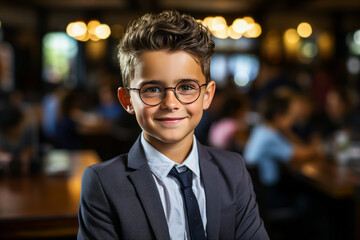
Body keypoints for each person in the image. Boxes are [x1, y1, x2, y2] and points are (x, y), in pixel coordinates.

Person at [77, 10, 269, 240]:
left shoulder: (233, 170)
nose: (170, 103)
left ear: (207, 96)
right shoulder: (103, 183)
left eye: (186, 87)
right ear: (127, 100)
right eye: (152, 89)